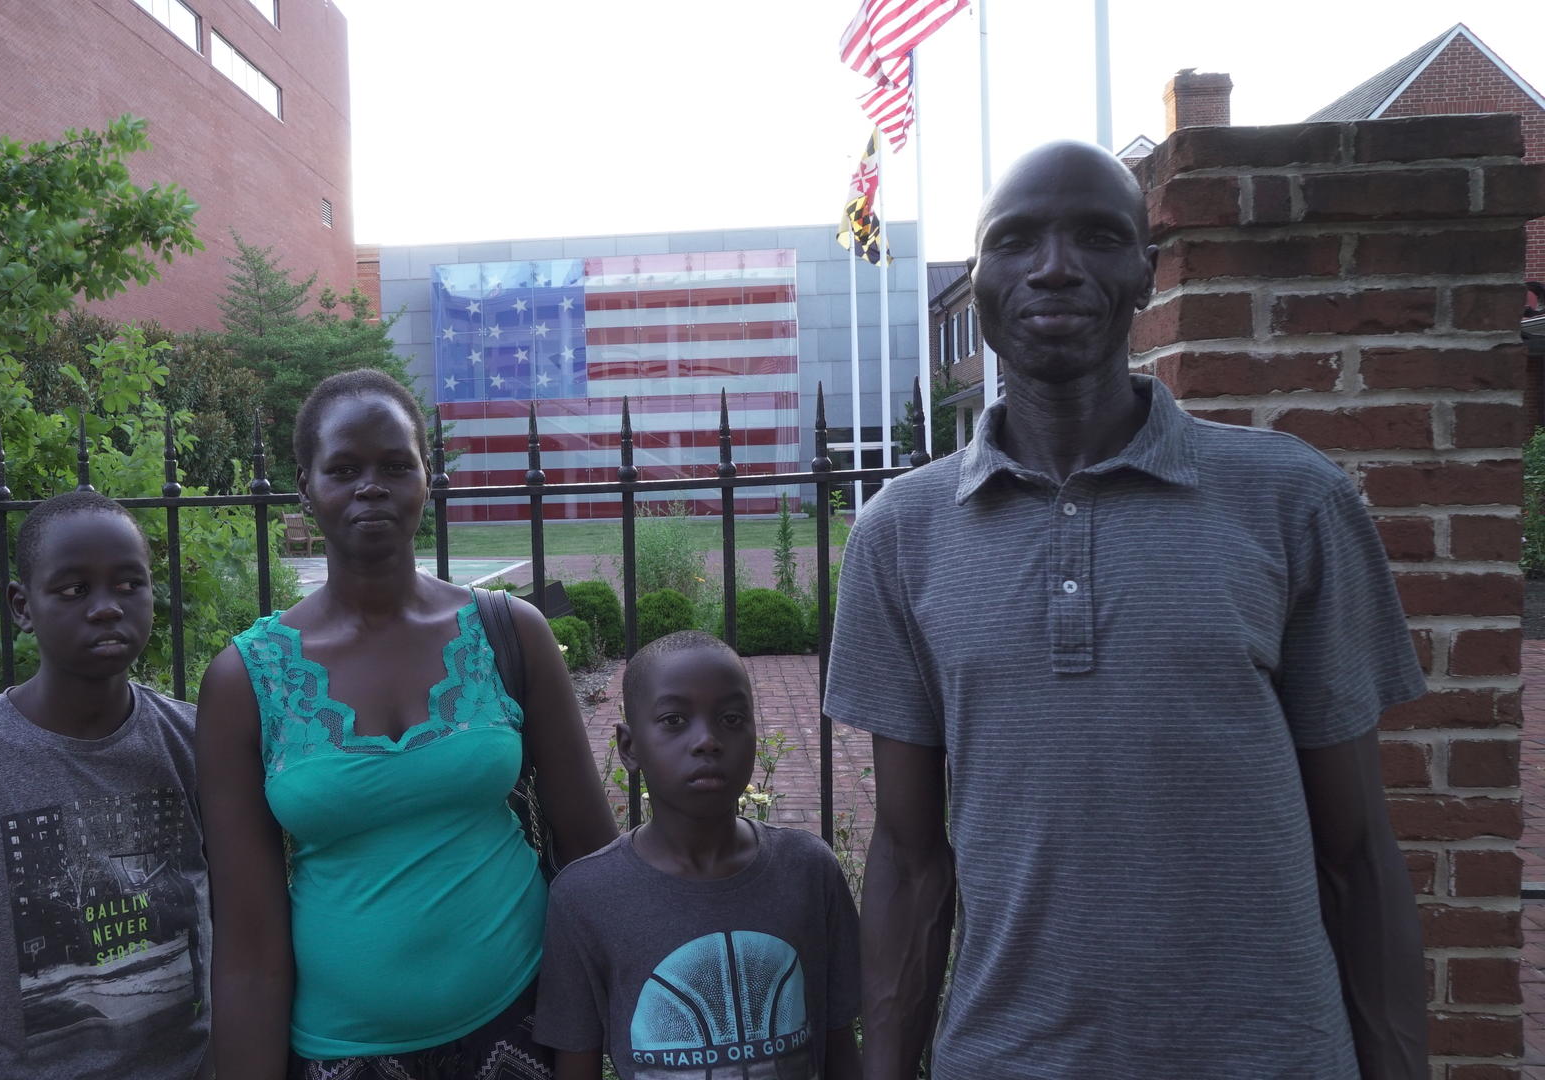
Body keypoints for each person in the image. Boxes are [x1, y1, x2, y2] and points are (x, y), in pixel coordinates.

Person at [827, 140, 1428, 1080]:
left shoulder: (1293, 502)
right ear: (978, 283)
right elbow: (907, 864)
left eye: (1099, 236)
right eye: (1015, 240)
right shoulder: (901, 534)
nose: (1055, 266)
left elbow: (1356, 853)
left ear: (1147, 274)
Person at [194, 368, 618, 1080]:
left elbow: (592, 855)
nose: (371, 486)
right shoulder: (246, 680)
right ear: (306, 485)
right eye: (344, 468)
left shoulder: (511, 635)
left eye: (395, 465)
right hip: (341, 1055)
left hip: (523, 1025)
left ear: (428, 477)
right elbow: (247, 948)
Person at [0, 490, 212, 1080]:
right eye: (75, 589)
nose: (107, 607)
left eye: (130, 583)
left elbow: (253, 942)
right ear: (22, 606)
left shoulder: (198, 742)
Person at [535, 631, 861, 1080]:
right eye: (674, 720)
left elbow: (839, 1040)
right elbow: (576, 1064)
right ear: (629, 747)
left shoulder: (808, 869)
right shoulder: (585, 897)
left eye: (731, 718)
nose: (707, 740)